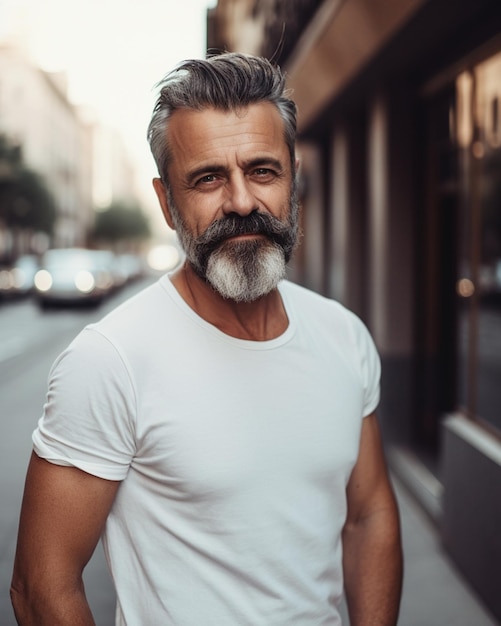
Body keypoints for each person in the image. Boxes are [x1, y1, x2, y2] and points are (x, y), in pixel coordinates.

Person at [11, 52, 403, 625]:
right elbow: (40, 587)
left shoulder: (343, 335)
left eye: (263, 171)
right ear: (167, 202)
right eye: (208, 178)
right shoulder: (111, 360)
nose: (242, 202)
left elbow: (368, 515)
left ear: (293, 179)